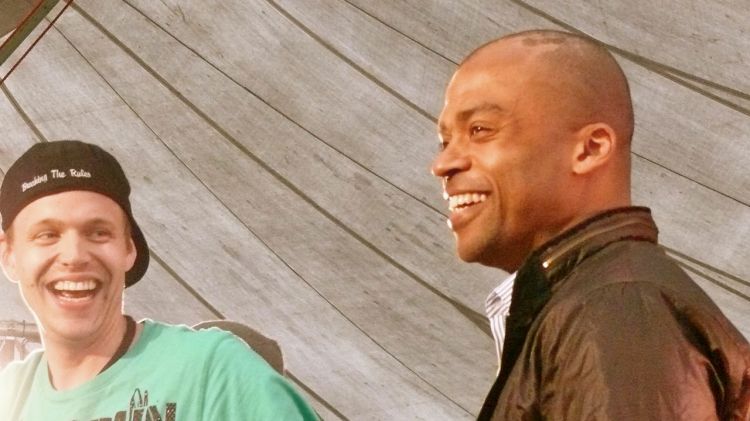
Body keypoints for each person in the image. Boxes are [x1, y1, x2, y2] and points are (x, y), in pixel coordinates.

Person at [432, 29, 750, 420]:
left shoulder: (618, 310)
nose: (442, 164)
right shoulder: (600, 302)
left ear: (590, 149)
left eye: (480, 130)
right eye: (444, 142)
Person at [0, 140, 318, 420]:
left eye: (98, 232)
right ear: (9, 256)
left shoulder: (212, 372)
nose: (74, 255)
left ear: (129, 248)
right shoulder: (9, 399)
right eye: (46, 235)